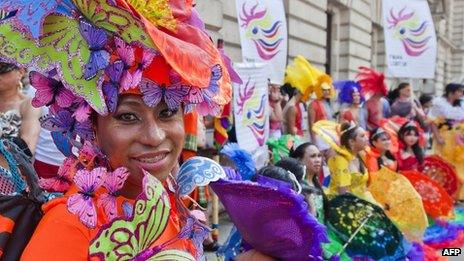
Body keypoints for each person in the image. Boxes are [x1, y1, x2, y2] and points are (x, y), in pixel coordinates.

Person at [0, 1, 234, 259]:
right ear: (92, 126)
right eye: (127, 116)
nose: (154, 137)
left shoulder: (177, 206)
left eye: (166, 112)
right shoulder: (70, 226)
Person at [326, 122, 377, 203]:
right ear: (351, 142)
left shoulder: (361, 155)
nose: (367, 138)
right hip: (345, 204)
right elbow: (343, 194)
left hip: (362, 200)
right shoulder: (340, 161)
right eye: (362, 136)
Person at [0, 62, 41, 154]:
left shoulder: (28, 105)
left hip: (10, 165)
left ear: (20, 72)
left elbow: (27, 148)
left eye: (2, 69)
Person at [288, 143, 326, 220]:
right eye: (313, 156)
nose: (318, 160)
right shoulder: (296, 187)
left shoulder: (316, 182)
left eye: (319, 156)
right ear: (299, 160)